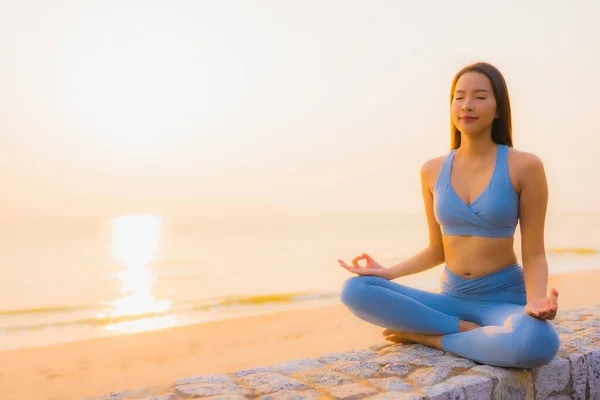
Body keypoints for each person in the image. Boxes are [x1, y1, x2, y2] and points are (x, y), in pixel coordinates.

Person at [337, 62, 560, 369]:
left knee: (539, 341)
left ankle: (430, 337)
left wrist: (535, 301)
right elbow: (436, 249)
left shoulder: (524, 166)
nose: (467, 105)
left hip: (503, 300)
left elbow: (534, 253)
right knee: (356, 290)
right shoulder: (432, 170)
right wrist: (388, 273)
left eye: (480, 96)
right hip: (450, 298)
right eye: (459, 97)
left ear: (498, 109)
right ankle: (462, 330)